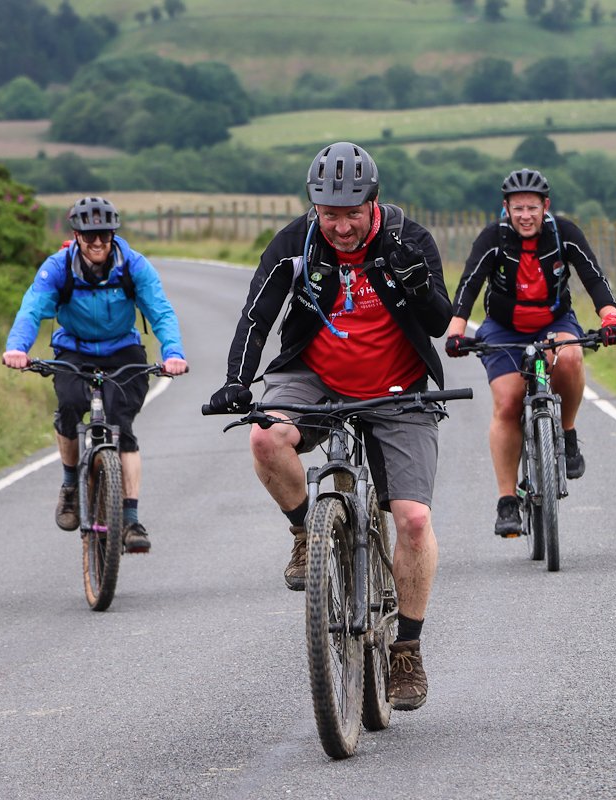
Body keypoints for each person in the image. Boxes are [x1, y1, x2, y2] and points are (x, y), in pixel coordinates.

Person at [205, 142, 452, 711]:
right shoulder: (297, 242)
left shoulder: (408, 240)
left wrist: (416, 285)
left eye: (351, 213)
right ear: (314, 206)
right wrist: (237, 381)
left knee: (412, 520)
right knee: (265, 436)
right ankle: (304, 533)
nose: (340, 226)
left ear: (373, 203)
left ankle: (407, 650)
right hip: (313, 375)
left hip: (398, 385)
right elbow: (256, 314)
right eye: (328, 213)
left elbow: (439, 323)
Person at [444, 168, 616, 537]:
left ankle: (568, 431)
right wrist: (457, 330)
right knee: (508, 403)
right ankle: (507, 500)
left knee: (571, 357)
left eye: (532, 208)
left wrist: (610, 316)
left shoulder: (564, 234)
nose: (525, 216)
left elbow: (592, 276)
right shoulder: (493, 239)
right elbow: (470, 283)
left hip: (554, 322)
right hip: (503, 327)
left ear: (546, 207)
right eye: (517, 208)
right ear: (506, 208)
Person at [2, 196, 188, 554]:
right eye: (90, 237)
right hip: (74, 349)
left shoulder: (133, 266)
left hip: (122, 350)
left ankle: (131, 519)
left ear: (113, 234)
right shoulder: (58, 267)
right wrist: (18, 348)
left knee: (123, 425)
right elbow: (32, 308)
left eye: (105, 235)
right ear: (76, 236)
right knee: (70, 406)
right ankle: (71, 485)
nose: (98, 243)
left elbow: (161, 312)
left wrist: (174, 353)